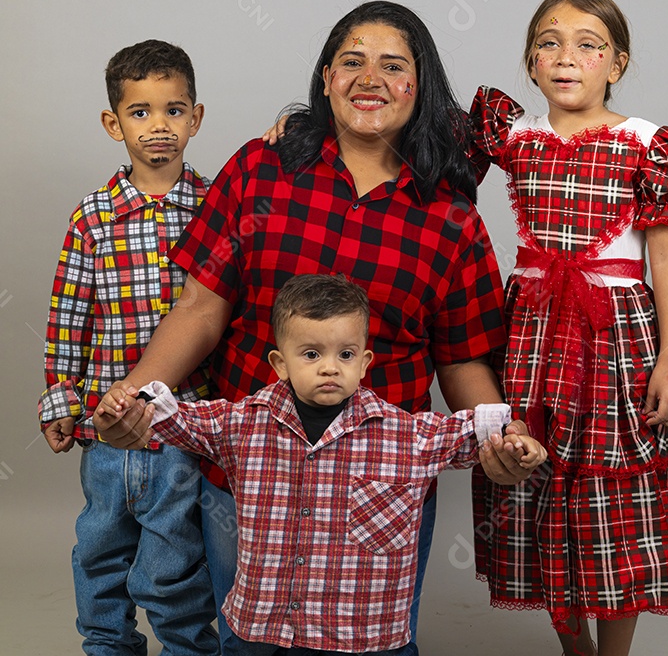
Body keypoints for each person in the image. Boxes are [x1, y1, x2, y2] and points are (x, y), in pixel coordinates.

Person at [94, 1, 545, 655]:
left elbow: (464, 361)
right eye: (352, 62)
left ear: (421, 85)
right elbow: (198, 309)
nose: (371, 78)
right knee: (249, 643)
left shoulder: (450, 218)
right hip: (251, 482)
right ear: (326, 78)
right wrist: (134, 395)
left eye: (394, 65)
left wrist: (502, 439)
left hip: (381, 492)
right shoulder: (260, 169)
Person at [104, 274, 546, 655]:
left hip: (362, 634)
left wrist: (517, 441)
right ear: (280, 363)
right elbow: (170, 417)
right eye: (311, 354)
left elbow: (478, 431)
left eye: (345, 355)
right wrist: (126, 405)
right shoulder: (241, 424)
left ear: (365, 361)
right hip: (262, 628)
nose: (330, 368)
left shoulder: (407, 434)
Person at [468, 0, 668, 656]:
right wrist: (300, 124)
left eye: (587, 44)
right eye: (548, 43)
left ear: (618, 63)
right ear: (530, 62)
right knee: (539, 484)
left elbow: (666, 262)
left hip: (618, 341)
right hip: (531, 338)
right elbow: (411, 142)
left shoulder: (648, 145)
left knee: (613, 502)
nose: (566, 57)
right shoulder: (513, 136)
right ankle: (573, 648)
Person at [39, 40, 220, 656]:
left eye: (173, 110)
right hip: (104, 424)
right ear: (113, 123)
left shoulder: (216, 208)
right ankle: (107, 644)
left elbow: (232, 314)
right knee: (100, 549)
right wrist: (60, 401)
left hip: (181, 426)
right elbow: (68, 319)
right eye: (140, 112)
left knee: (176, 555)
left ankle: (188, 647)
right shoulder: (92, 219)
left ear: (195, 118)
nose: (159, 126)